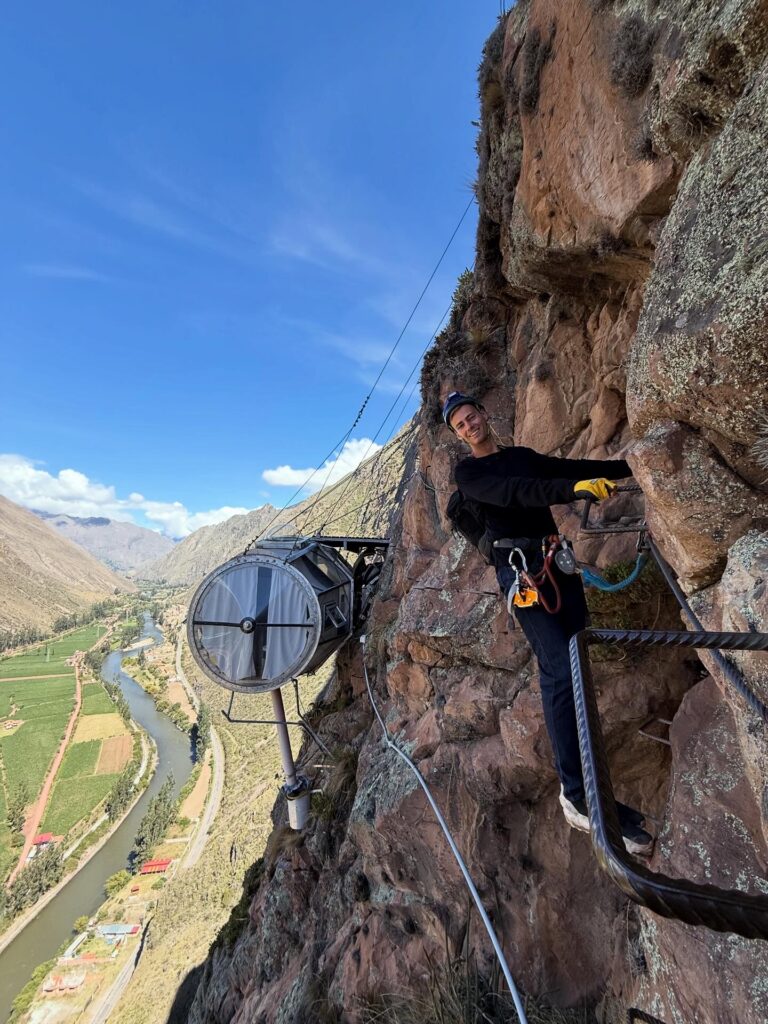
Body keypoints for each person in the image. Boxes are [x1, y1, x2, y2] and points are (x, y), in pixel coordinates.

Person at [442, 390, 653, 856]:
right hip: (521, 573)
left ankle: (597, 793)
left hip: (555, 563)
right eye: (460, 424)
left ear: (483, 413)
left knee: (577, 666)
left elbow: (567, 468)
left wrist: (633, 466)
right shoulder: (470, 474)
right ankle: (575, 795)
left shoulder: (520, 455)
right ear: (458, 435)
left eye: (471, 415)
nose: (469, 425)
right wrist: (574, 491)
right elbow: (521, 492)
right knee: (558, 668)